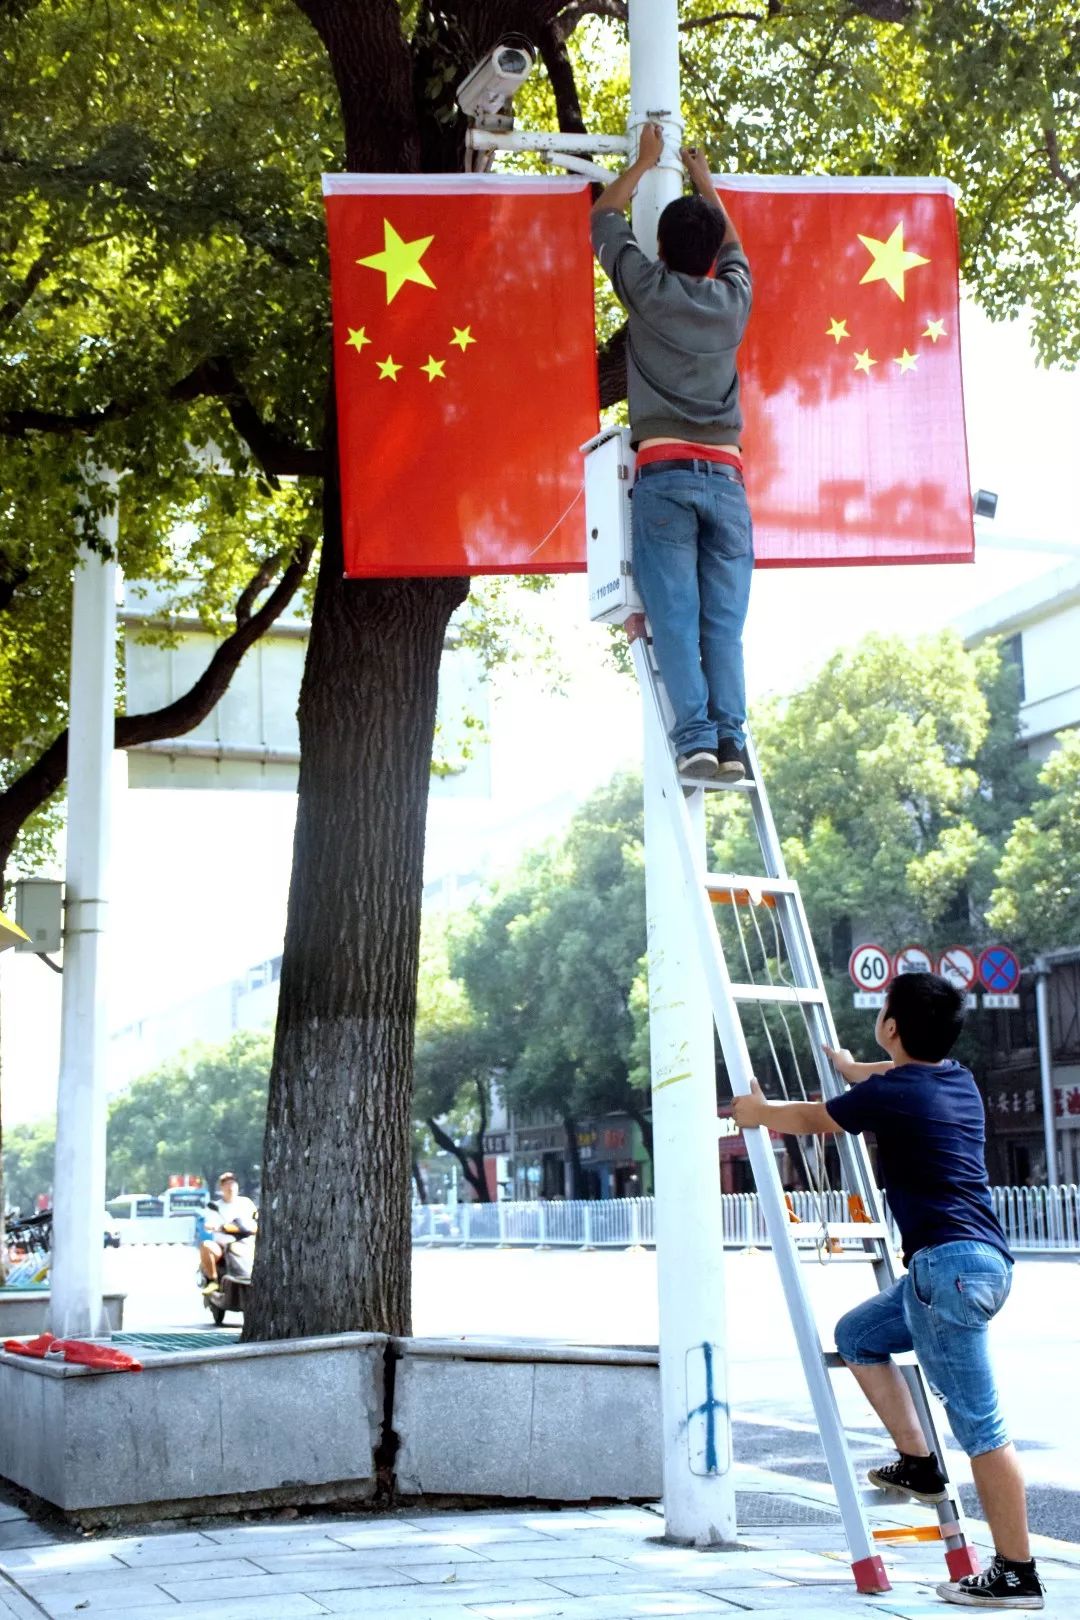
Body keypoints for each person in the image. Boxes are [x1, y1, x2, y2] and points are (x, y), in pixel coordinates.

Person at [732, 971, 1045, 1611]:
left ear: (892, 1027)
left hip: (945, 1272)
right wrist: (853, 1068)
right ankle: (918, 1462)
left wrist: (758, 1115)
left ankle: (1017, 1573)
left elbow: (817, 1118)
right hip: (981, 1264)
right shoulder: (957, 1079)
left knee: (983, 1429)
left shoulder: (893, 1092)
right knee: (857, 1336)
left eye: (882, 1010)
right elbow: (888, 1074)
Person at [590, 124, 754, 783]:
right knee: (723, 625)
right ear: (712, 257)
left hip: (664, 475)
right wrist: (705, 182)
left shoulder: (647, 289)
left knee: (676, 620)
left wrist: (644, 163)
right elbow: (734, 246)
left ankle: (696, 742)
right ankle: (732, 740)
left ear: (658, 246)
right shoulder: (733, 300)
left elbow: (603, 218)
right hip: (728, 483)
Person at [199, 1172, 258, 1296]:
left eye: (232, 1183)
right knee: (206, 1246)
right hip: (222, 1246)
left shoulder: (246, 1203)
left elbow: (255, 1218)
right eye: (226, 1184)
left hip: (244, 1242)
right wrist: (215, 1227)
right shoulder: (215, 1206)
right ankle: (213, 1280)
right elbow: (208, 1224)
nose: (230, 1186)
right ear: (221, 1187)